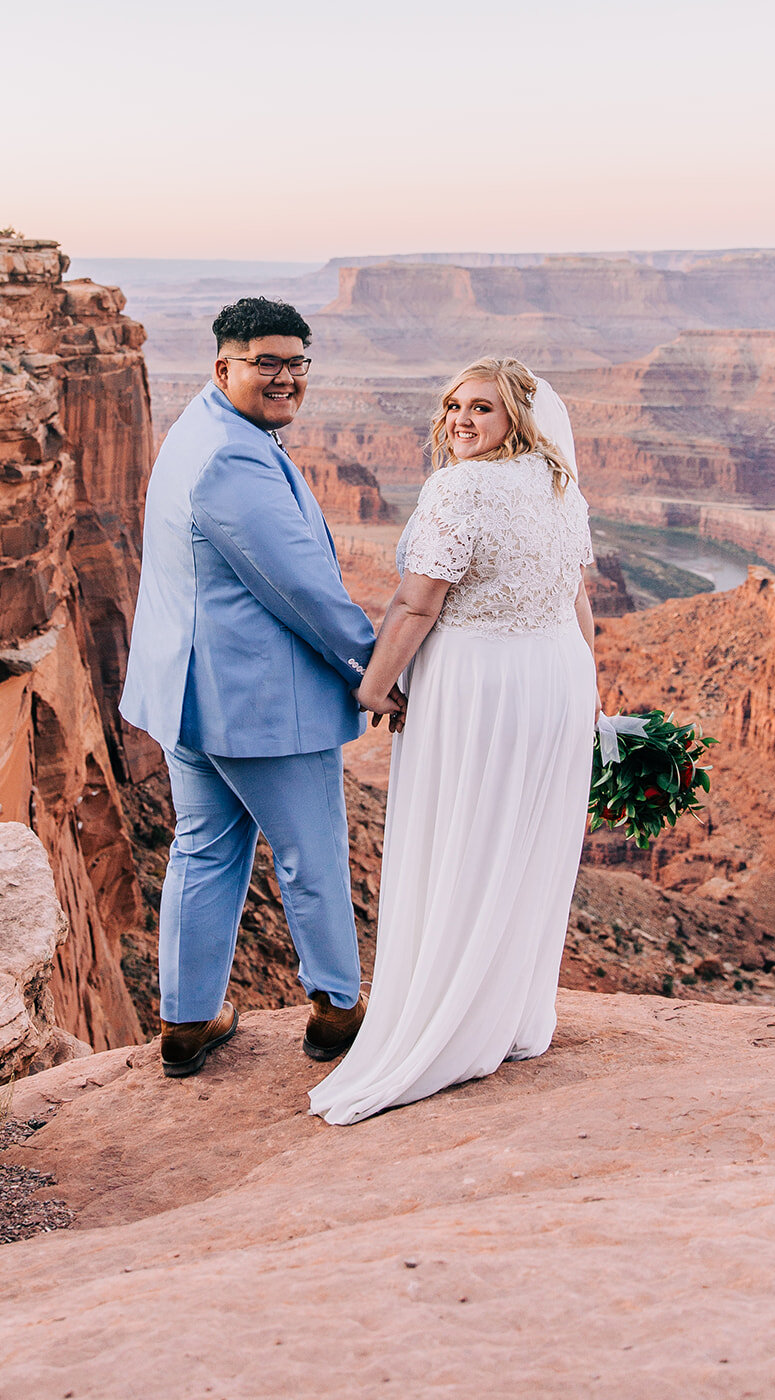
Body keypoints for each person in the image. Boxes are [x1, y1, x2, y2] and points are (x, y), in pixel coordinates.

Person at [308, 356, 598, 1126]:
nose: (460, 421)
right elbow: (577, 597)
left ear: (518, 420)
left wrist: (373, 685)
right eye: (452, 407)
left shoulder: (458, 487)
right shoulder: (558, 481)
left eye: (481, 409)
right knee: (522, 842)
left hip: (481, 685)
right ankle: (503, 1017)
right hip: (556, 676)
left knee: (462, 838)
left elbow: (415, 602)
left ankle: (442, 1026)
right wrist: (588, 688)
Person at [120, 297, 379, 1078]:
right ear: (222, 366)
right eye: (266, 362)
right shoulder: (231, 457)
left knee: (204, 851)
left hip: (189, 698)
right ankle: (338, 1011)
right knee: (311, 855)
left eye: (297, 362)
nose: (286, 378)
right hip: (258, 706)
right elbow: (299, 588)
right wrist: (376, 674)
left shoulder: (200, 428)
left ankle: (189, 1022)